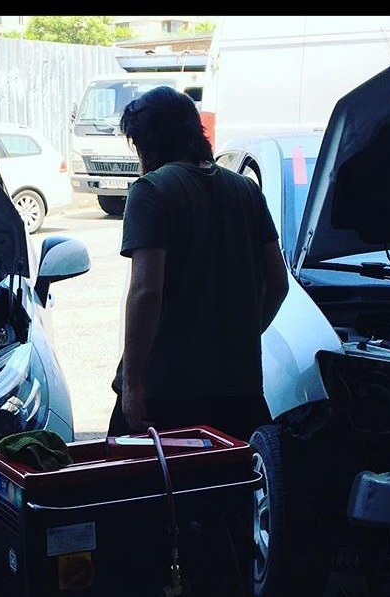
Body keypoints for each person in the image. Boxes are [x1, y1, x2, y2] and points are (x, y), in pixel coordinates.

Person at [108, 86, 289, 442]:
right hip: (240, 393)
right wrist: (239, 337)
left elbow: (146, 292)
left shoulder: (151, 191)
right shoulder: (247, 191)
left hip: (165, 394)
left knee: (141, 475)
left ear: (147, 142)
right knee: (229, 478)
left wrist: (132, 383)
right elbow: (278, 284)